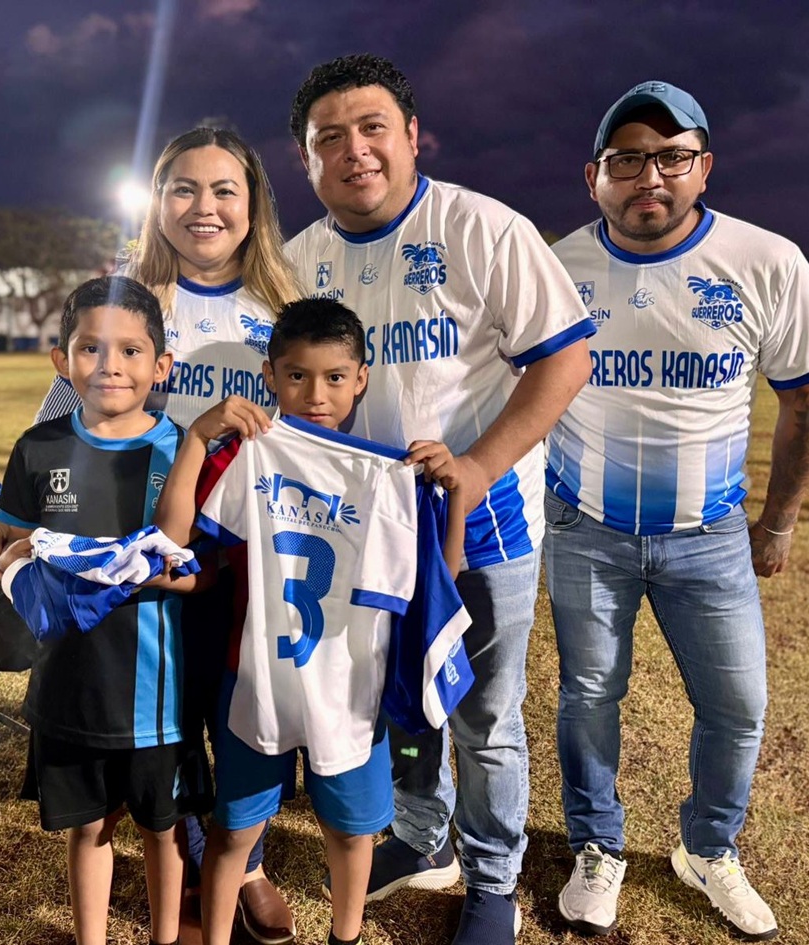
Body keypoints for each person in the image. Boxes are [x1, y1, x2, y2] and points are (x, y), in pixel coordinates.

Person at [285, 54, 595, 945]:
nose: (354, 150)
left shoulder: (483, 229)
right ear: (307, 159)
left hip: (480, 525)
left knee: (484, 715)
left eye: (372, 127)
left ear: (412, 136)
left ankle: (494, 880)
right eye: (329, 138)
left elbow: (565, 357)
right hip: (363, 535)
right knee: (403, 701)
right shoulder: (299, 261)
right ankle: (425, 839)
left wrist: (481, 464)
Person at [0, 127, 300, 945]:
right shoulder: (134, 291)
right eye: (183, 188)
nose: (203, 206)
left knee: (236, 713)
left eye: (224, 189)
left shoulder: (283, 300)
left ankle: (244, 861)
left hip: (246, 541)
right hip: (144, 535)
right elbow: (71, 406)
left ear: (254, 203)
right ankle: (188, 854)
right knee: (160, 714)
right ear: (158, 202)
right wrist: (13, 512)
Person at [544, 80, 809, 940]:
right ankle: (598, 845)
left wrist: (778, 522)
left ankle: (708, 848)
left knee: (737, 704)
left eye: (673, 157)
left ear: (705, 167)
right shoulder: (557, 267)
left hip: (711, 536)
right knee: (589, 693)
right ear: (594, 175)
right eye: (628, 159)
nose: (650, 177)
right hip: (586, 526)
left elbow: (807, 402)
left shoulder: (766, 261)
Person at [154, 297, 470, 945]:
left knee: (350, 832)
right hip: (256, 679)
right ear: (270, 376)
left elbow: (440, 577)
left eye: (333, 377)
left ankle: (344, 936)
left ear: (361, 380)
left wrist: (456, 494)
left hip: (350, 689)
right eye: (297, 375)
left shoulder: (391, 474)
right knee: (235, 830)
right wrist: (197, 438)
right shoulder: (248, 454)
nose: (315, 394)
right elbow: (174, 541)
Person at [0, 275, 210, 945]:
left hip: (157, 696)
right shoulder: (39, 447)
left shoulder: (182, 451)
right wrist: (10, 558)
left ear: (161, 365)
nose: (110, 365)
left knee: (162, 828)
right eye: (91, 348)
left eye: (130, 350)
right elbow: (10, 543)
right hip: (68, 686)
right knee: (89, 826)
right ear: (62, 361)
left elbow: (203, 569)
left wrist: (150, 574)